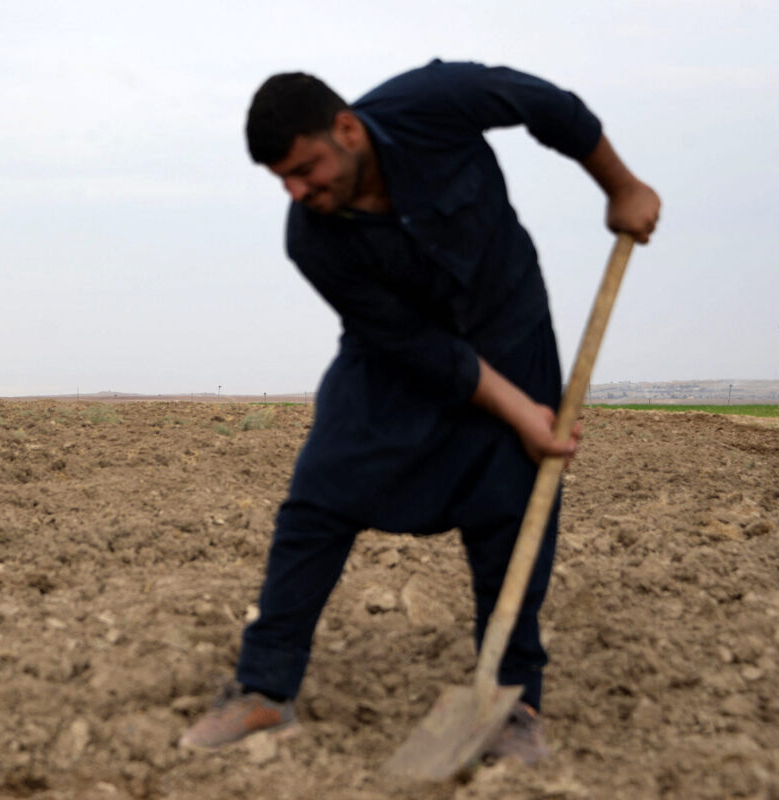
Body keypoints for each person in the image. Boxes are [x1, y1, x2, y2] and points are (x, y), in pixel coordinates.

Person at [179, 61, 660, 764]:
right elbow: (417, 347)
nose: (296, 191)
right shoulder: (310, 239)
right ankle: (263, 689)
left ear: (346, 129)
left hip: (510, 327)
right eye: (282, 179)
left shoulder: (434, 102)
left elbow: (549, 107)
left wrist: (620, 186)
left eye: (305, 169)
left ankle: (515, 700)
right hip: (396, 359)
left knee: (516, 504)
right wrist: (517, 410)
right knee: (319, 496)